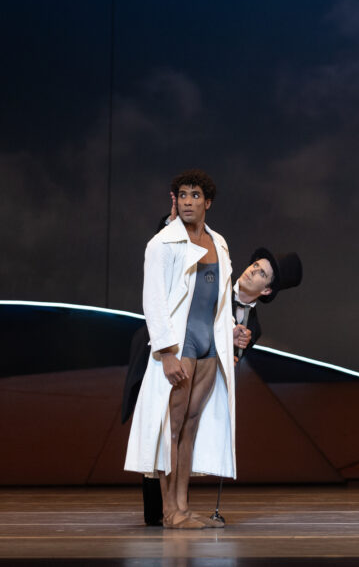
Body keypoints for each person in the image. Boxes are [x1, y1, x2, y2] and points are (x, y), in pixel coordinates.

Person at [120, 189, 303, 526]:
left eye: (261, 273)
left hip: (196, 377)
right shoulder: (217, 270)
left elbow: (229, 362)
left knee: (178, 431)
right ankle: (166, 509)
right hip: (161, 352)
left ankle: (173, 509)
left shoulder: (252, 327)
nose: (251, 272)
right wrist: (173, 220)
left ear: (266, 291)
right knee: (159, 429)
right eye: (254, 265)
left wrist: (234, 343)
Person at [124, 170, 238, 529]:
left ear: (208, 202)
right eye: (182, 195)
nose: (188, 201)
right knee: (169, 428)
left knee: (190, 425)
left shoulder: (218, 242)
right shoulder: (162, 243)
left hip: (209, 346)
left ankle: (183, 506)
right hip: (180, 343)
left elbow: (219, 300)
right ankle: (169, 511)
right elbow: (153, 301)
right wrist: (167, 352)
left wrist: (231, 333)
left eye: (195, 195)